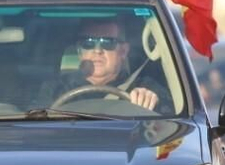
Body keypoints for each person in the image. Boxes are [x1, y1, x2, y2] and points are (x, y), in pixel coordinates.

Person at [40, 17, 169, 112]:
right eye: (88, 43)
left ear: (123, 51)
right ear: (80, 51)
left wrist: (153, 101)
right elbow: (35, 123)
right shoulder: (55, 88)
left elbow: (172, 116)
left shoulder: (144, 87)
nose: (97, 50)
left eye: (107, 43)